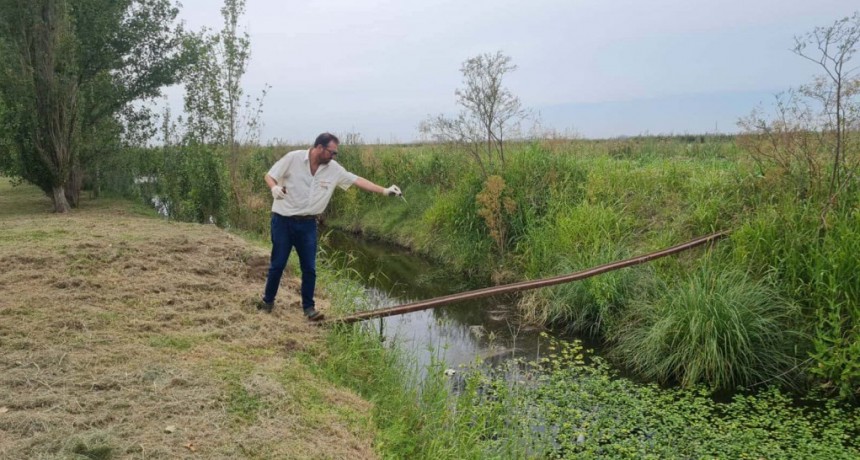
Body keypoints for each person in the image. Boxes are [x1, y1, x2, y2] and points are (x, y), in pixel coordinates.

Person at [258, 132, 401, 321]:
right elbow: (270, 175)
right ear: (319, 147)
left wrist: (384, 191)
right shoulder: (293, 158)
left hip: (308, 224)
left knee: (309, 268)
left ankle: (309, 308)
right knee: (278, 264)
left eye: (335, 153)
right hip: (283, 221)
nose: (333, 156)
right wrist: (274, 188)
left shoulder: (333, 169)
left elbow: (357, 180)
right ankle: (268, 302)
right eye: (331, 152)